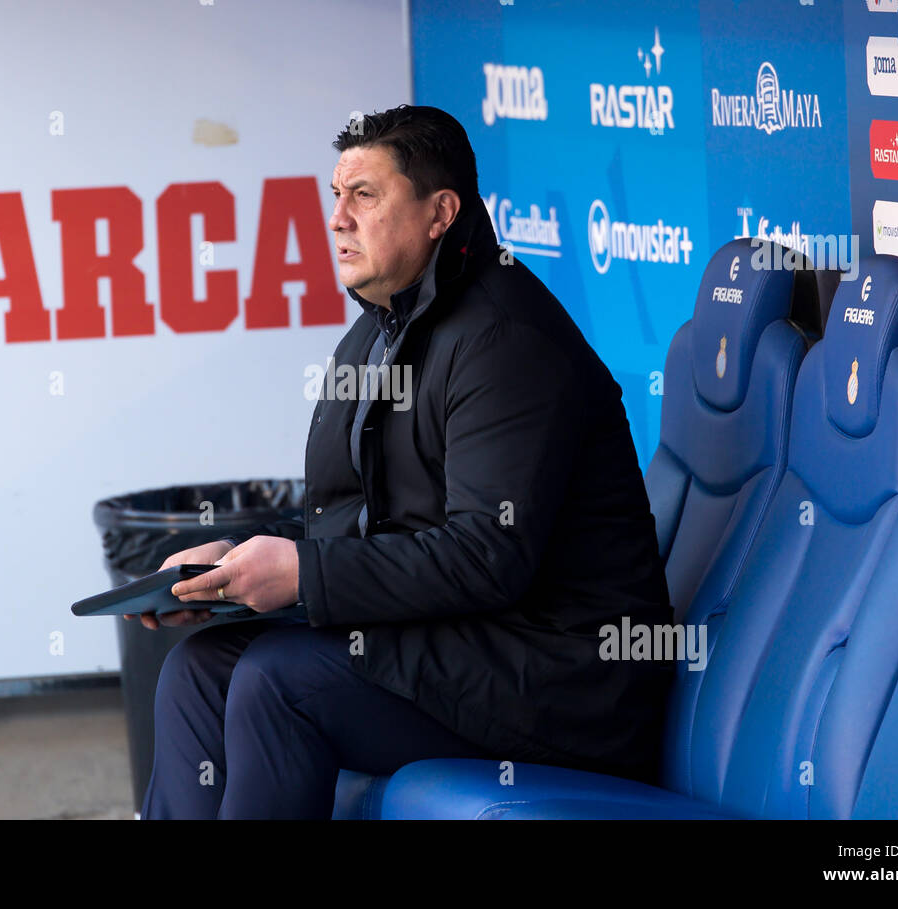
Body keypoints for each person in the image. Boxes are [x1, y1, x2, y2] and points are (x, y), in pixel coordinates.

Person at [129, 104, 675, 819]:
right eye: (336, 196)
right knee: (199, 669)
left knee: (276, 680)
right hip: (457, 643)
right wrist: (233, 573)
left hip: (561, 682)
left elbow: (488, 555)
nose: (337, 219)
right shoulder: (378, 332)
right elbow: (359, 523)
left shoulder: (506, 338)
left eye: (365, 196)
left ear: (440, 212)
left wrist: (305, 575)